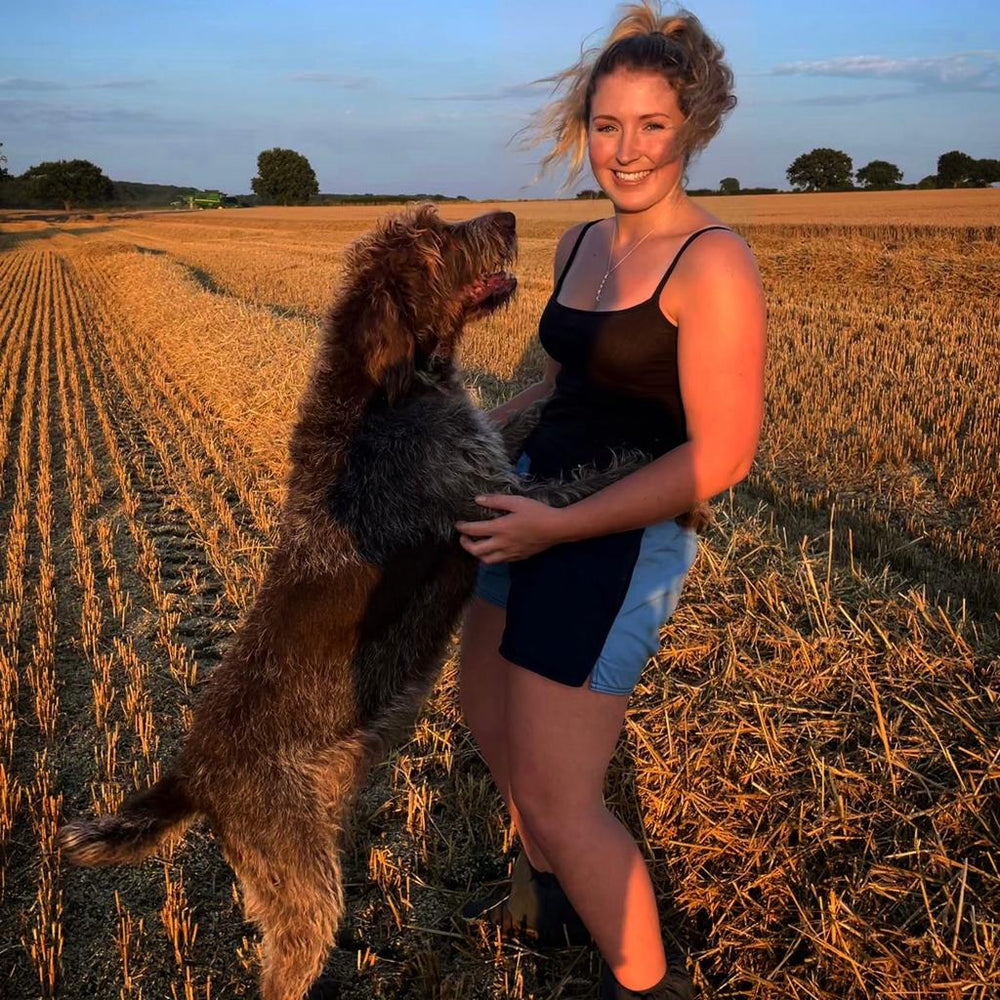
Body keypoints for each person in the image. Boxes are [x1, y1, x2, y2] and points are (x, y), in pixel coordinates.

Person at [455, 2, 766, 998]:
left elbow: (721, 454)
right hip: (530, 510)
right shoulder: (582, 242)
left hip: (613, 537)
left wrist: (562, 525)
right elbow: (569, 385)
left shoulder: (711, 263)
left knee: (558, 796)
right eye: (607, 125)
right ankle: (544, 901)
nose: (625, 151)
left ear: (693, 126)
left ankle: (646, 982)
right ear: (584, 125)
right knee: (485, 718)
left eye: (651, 127)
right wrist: (478, 435)